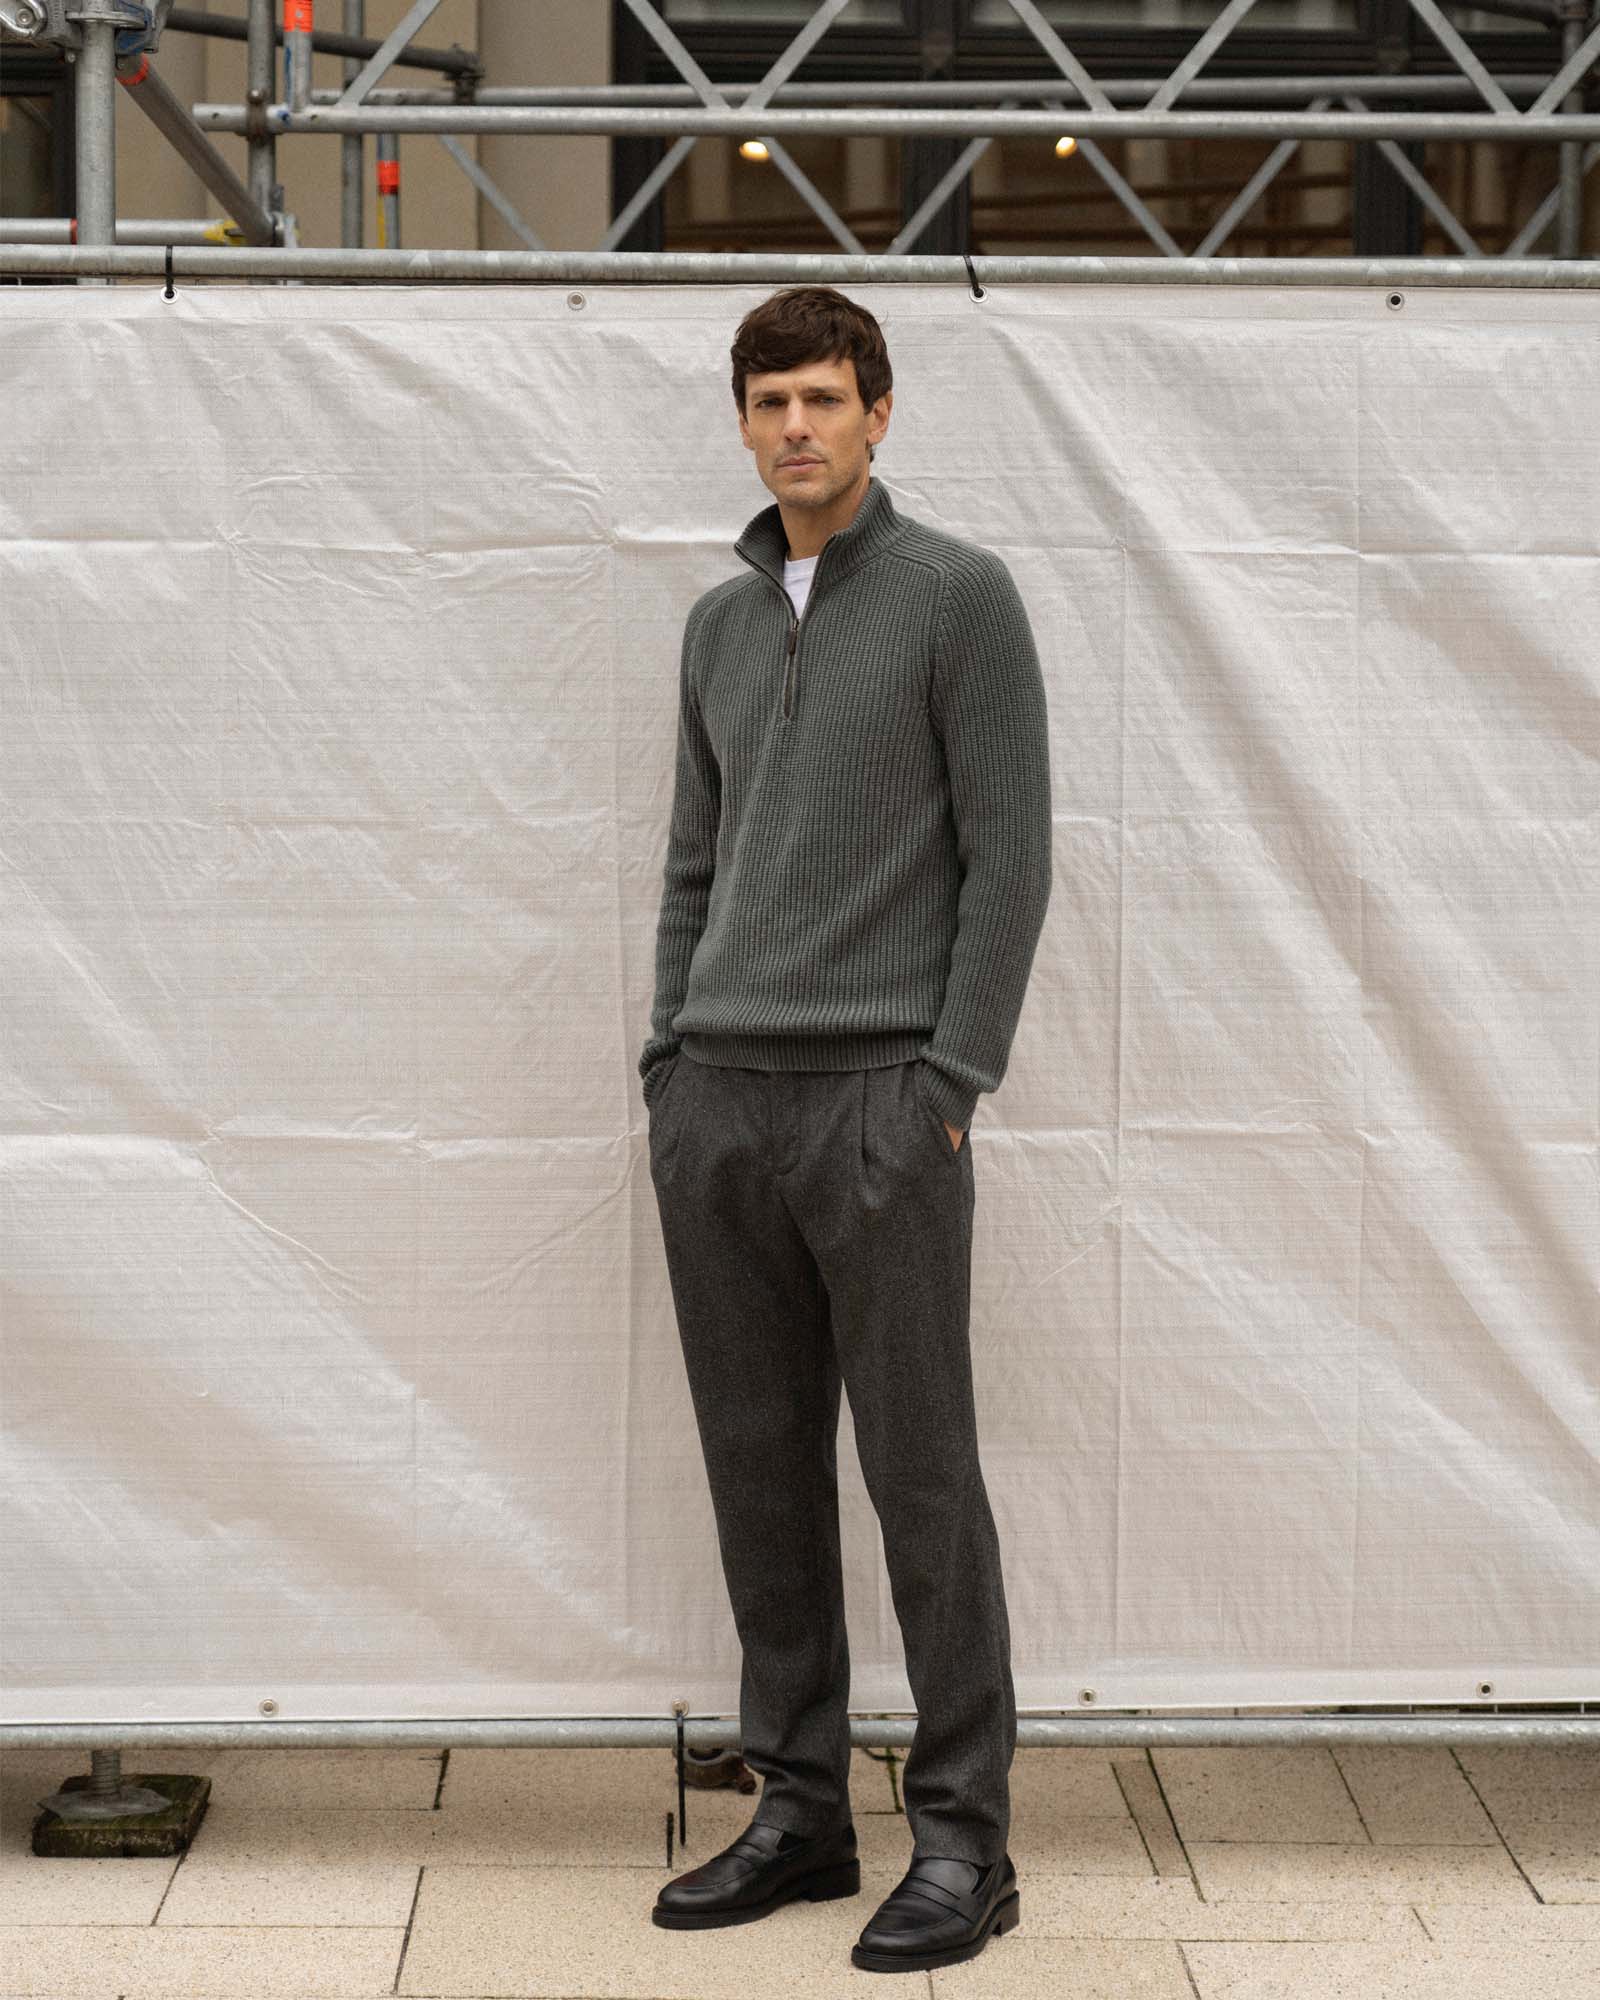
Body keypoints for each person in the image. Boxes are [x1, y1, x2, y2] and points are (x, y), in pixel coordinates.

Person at [639, 284, 1052, 1976]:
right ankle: (801, 1809)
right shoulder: (718, 628)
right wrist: (668, 1062)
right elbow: (691, 863)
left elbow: (1011, 858)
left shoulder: (960, 596)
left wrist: (947, 1084)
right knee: (759, 1470)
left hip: (885, 1101)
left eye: (823, 398)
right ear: (743, 424)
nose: (796, 427)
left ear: (879, 413)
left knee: (922, 1478)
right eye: (769, 402)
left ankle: (965, 1840)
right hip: (720, 1103)